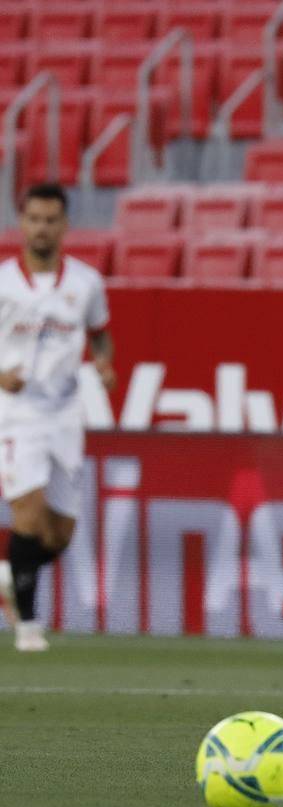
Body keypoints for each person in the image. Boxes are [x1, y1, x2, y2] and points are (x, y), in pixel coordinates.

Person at [0, 183, 116, 652]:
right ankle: (28, 625)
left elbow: (100, 335)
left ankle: (8, 573)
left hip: (66, 413)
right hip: (15, 414)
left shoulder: (85, 283)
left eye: (51, 219)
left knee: (60, 533)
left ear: (65, 225)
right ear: (22, 223)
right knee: (27, 518)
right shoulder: (4, 282)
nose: (42, 227)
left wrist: (105, 364)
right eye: (34, 219)